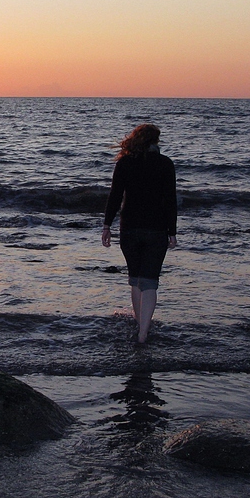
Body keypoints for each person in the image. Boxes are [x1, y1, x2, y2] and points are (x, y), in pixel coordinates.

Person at [101, 124, 177, 343]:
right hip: (156, 229)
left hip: (130, 229)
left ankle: (138, 323)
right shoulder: (165, 164)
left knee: (135, 279)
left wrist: (107, 225)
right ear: (155, 142)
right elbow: (170, 200)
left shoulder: (125, 163)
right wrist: (172, 231)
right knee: (150, 281)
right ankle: (143, 333)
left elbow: (114, 196)